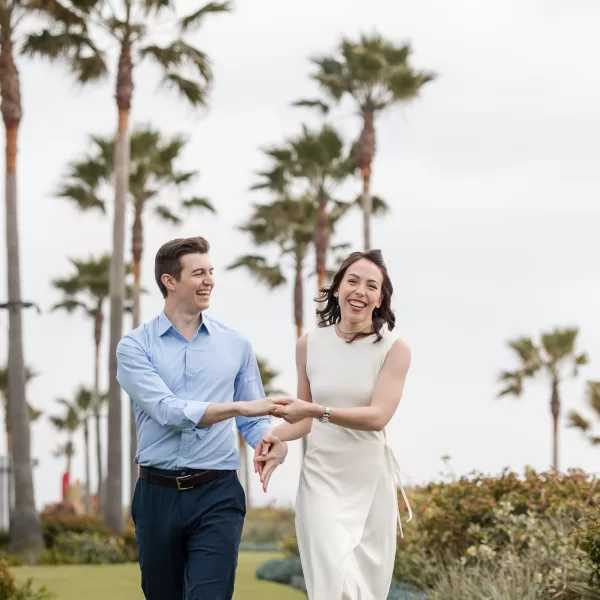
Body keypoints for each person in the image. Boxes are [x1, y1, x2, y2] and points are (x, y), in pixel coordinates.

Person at [116, 236, 289, 600]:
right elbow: (167, 411)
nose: (209, 280)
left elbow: (255, 419)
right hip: (155, 495)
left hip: (218, 493)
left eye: (211, 271)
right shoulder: (134, 347)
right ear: (170, 281)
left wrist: (272, 441)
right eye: (198, 273)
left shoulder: (236, 344)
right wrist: (240, 408)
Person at [255, 249, 413, 599]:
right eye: (352, 281)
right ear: (337, 288)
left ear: (380, 299)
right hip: (321, 479)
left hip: (369, 480)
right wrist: (275, 437)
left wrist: (315, 410)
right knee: (330, 579)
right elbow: (302, 421)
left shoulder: (394, 348)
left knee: (364, 588)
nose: (360, 290)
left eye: (372, 285)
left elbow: (377, 417)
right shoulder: (308, 344)